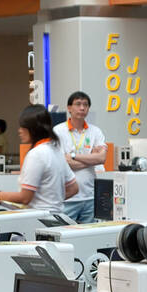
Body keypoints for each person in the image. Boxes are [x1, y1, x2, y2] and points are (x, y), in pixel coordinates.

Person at [0, 105, 77, 213]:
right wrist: (52, 202)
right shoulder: (56, 151)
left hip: (37, 220)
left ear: (34, 129)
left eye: (23, 127)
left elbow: (25, 198)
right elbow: (73, 188)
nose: (19, 131)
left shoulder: (36, 154)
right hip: (57, 217)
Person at [54, 91, 107, 223]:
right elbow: (63, 163)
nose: (82, 108)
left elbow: (102, 158)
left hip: (90, 196)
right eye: (78, 104)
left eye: (85, 105)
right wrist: (91, 159)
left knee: (88, 238)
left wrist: (73, 156)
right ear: (69, 108)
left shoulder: (95, 131)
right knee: (64, 236)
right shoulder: (58, 131)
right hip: (67, 198)